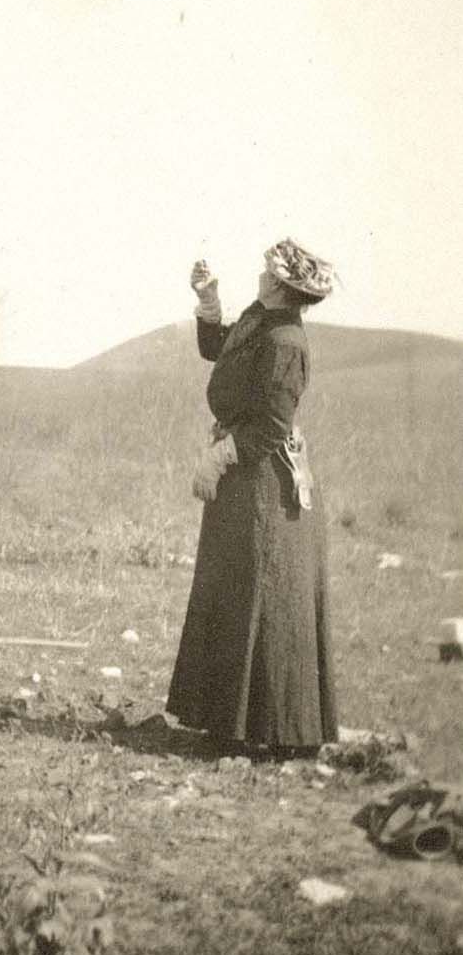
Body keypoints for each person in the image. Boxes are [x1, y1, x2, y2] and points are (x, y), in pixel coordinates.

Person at [166, 238, 339, 759]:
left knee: (260, 594)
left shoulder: (287, 341)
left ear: (286, 286)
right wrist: (209, 300)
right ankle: (227, 723)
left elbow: (270, 425)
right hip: (244, 478)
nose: (261, 274)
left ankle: (277, 731)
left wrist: (218, 457)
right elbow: (220, 348)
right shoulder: (262, 319)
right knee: (235, 591)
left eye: (269, 270)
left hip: (264, 485)